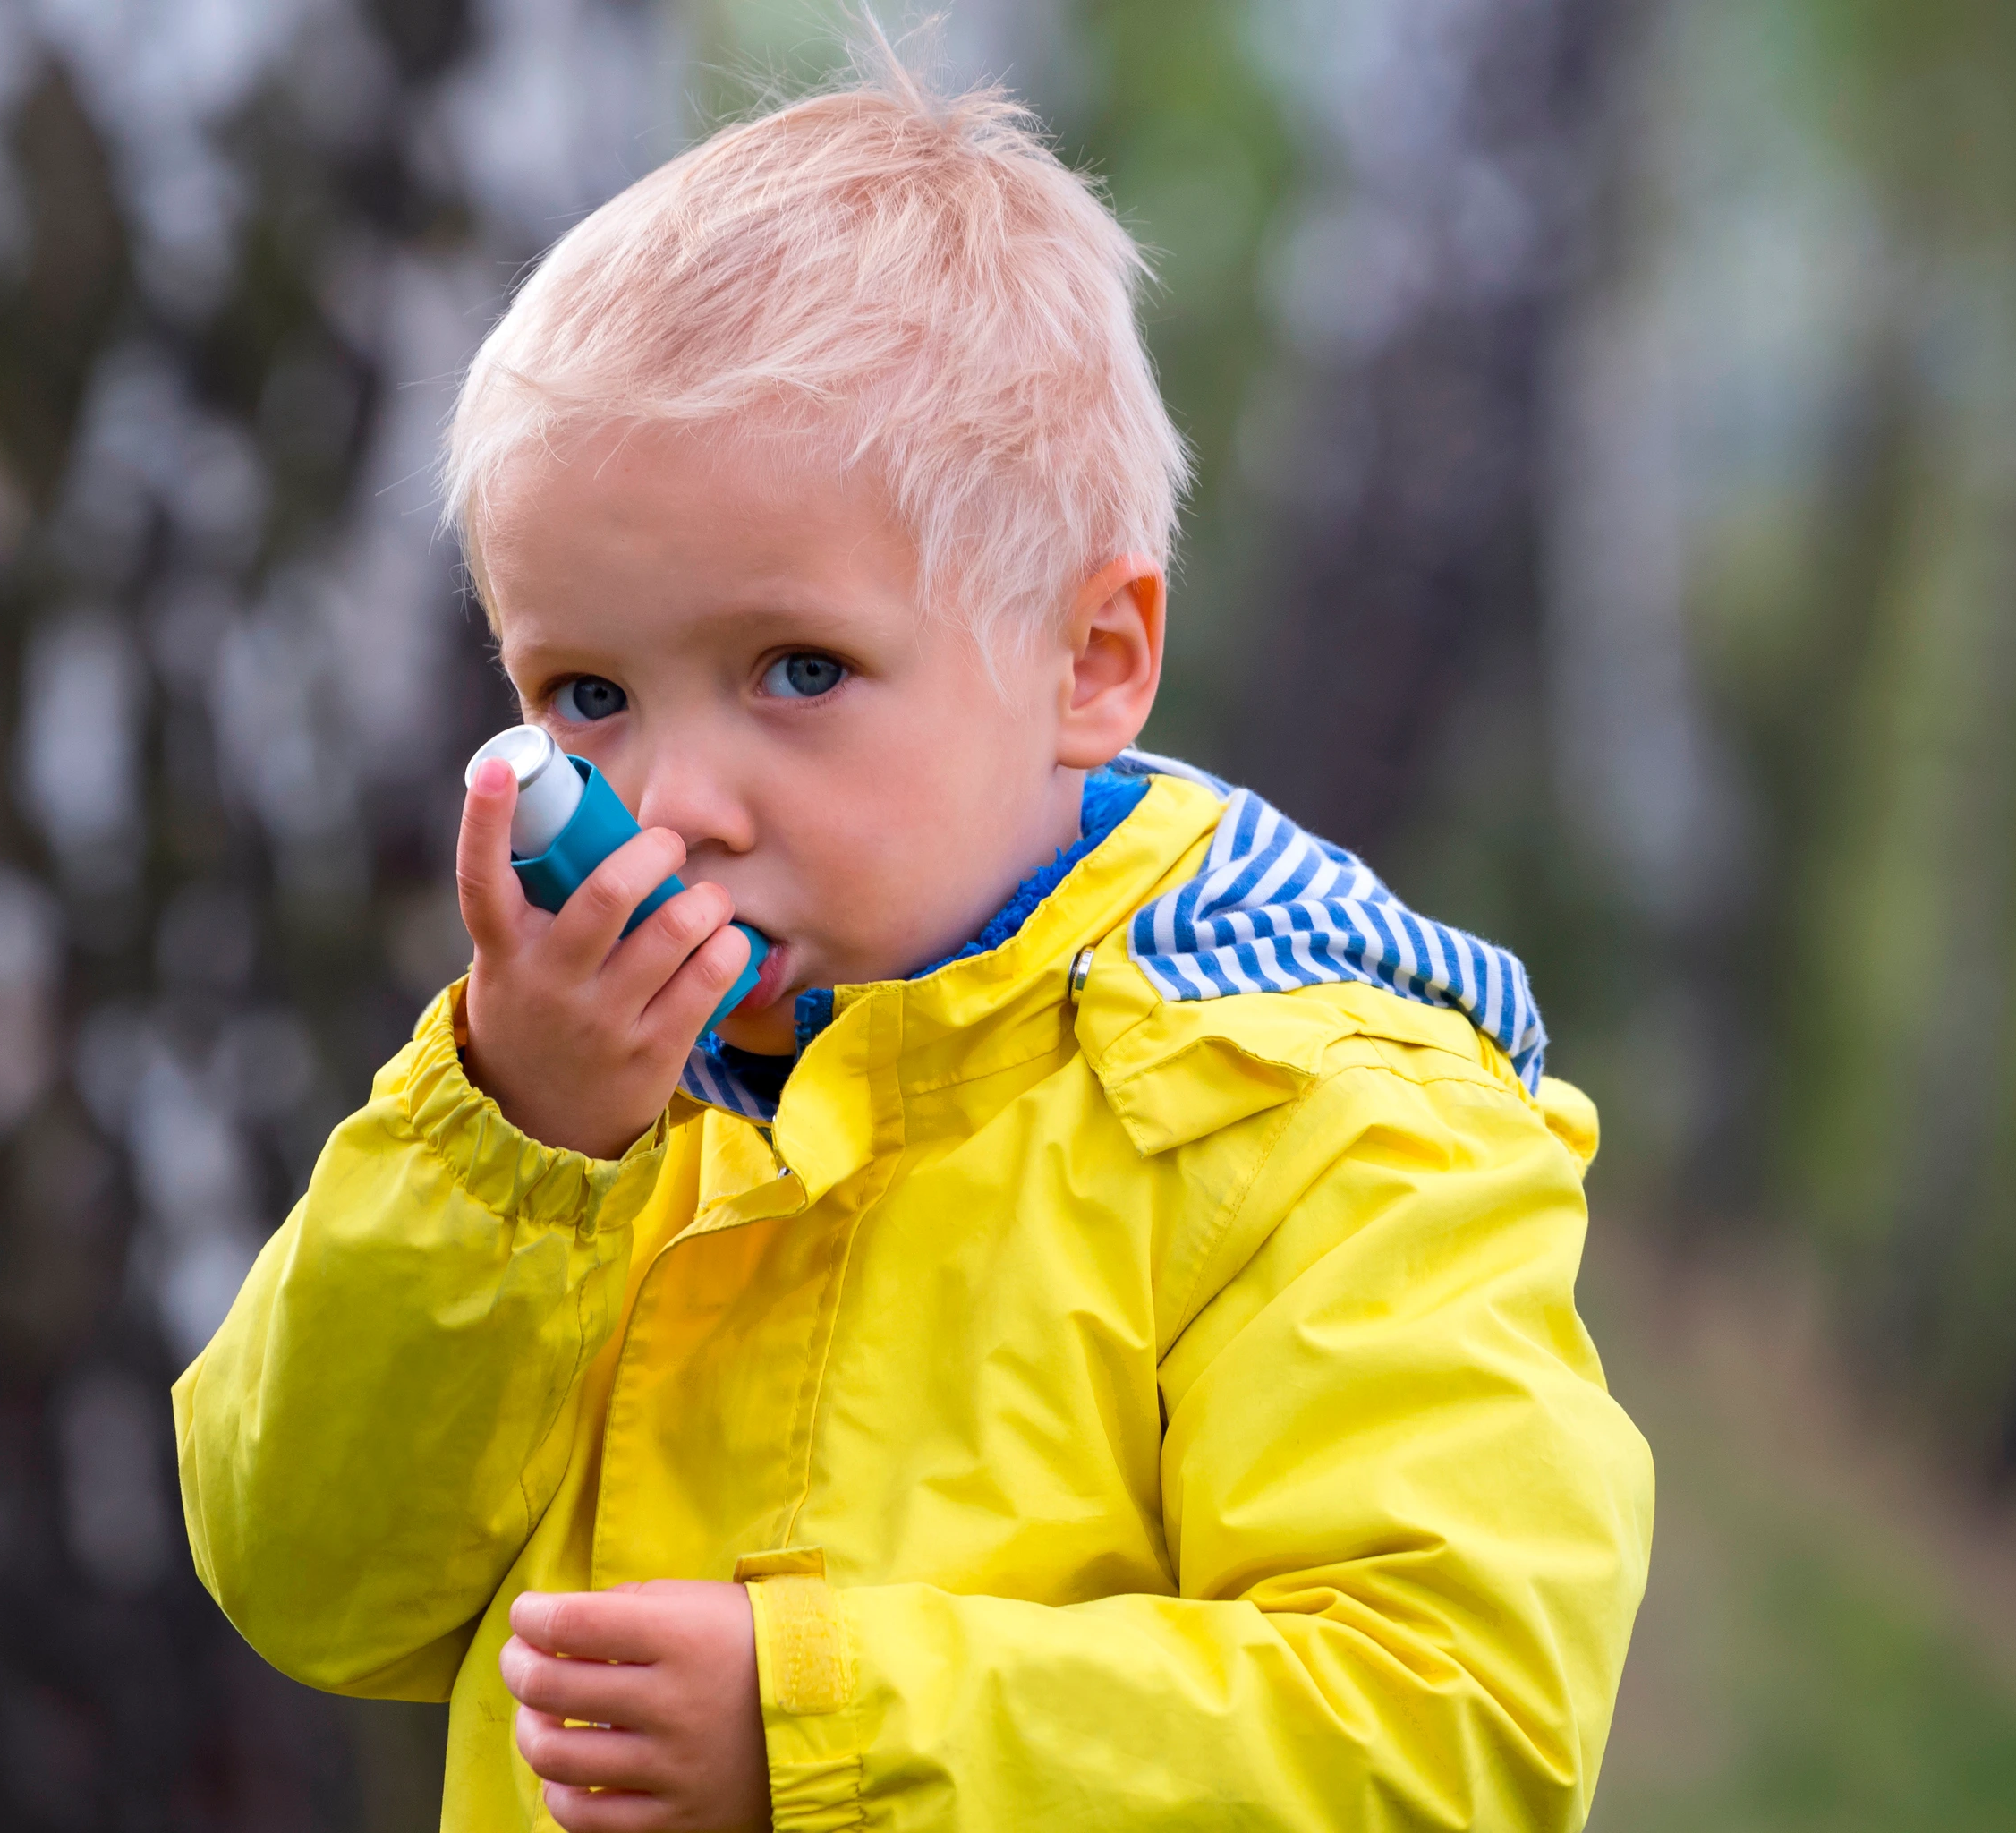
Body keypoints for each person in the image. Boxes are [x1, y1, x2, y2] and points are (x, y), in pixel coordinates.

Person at [174, 46, 1654, 1833]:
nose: (674, 801)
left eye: (799, 669)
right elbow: (305, 1576)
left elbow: (1452, 1736)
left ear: (1091, 662)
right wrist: (510, 1148)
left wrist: (826, 1733)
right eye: (589, 694)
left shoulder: (1314, 1114)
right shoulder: (575, 1108)